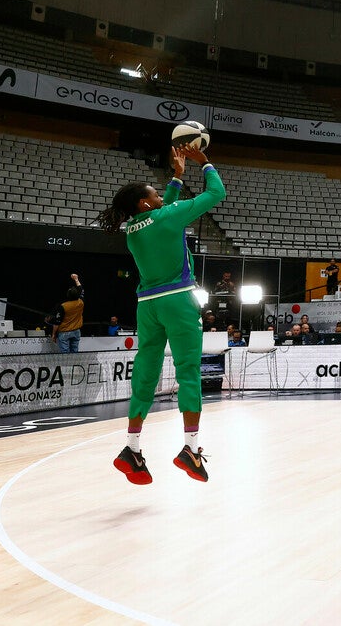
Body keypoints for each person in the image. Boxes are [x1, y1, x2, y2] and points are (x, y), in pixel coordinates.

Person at [96, 141, 223, 484]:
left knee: (145, 374)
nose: (159, 196)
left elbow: (161, 211)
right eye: (154, 194)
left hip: (147, 305)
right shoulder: (168, 215)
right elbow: (217, 192)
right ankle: (190, 449)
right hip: (178, 300)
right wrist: (204, 162)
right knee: (188, 372)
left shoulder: (132, 230)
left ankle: (132, 448)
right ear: (144, 203)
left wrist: (177, 178)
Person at [49, 273, 84, 352]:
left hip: (64, 332)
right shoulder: (81, 302)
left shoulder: (63, 306)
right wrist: (76, 279)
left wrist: (53, 334)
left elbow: (57, 322)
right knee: (75, 352)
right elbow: (81, 290)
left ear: (68, 295)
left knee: (65, 354)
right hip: (76, 331)